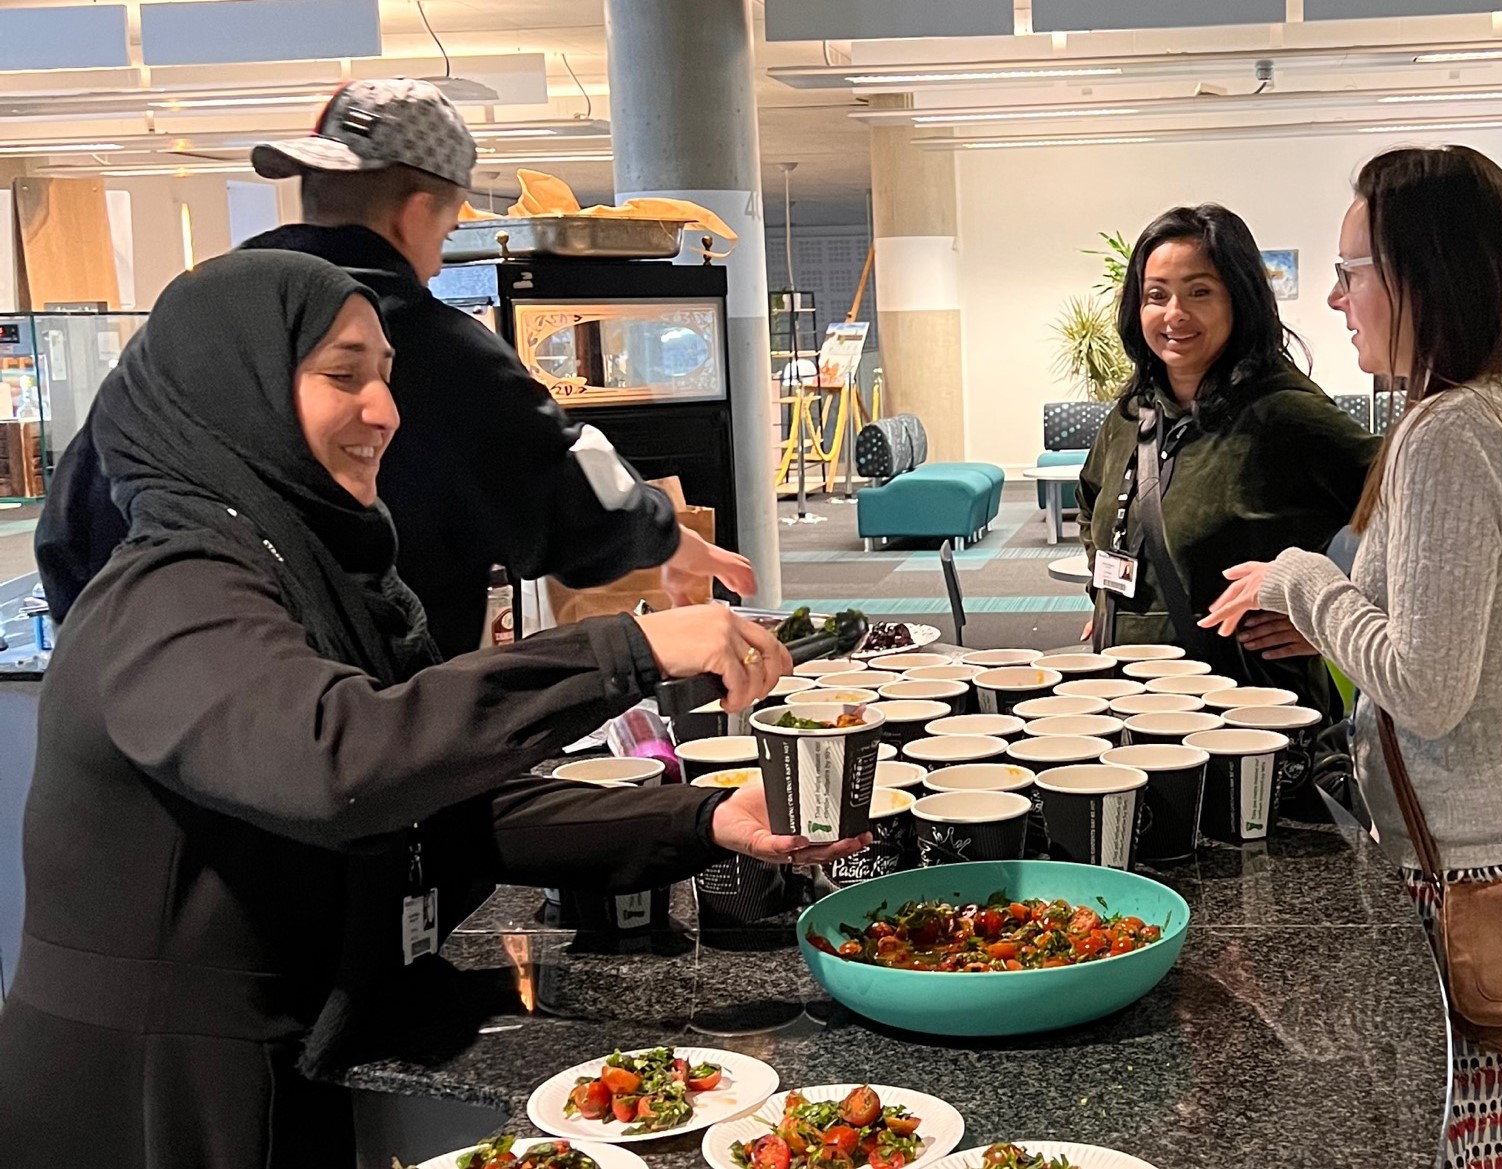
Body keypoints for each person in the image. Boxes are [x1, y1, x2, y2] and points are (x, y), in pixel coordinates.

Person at [0, 251, 864, 1165]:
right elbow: (341, 763)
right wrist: (630, 648)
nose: (384, 410)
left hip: (278, 1049)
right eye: (343, 375)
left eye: (385, 375)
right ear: (231, 391)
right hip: (150, 1094)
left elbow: (442, 807)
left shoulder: (308, 573)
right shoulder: (170, 587)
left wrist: (704, 816)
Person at [1201, 146, 1502, 1167]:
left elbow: (1426, 690)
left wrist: (1299, 579)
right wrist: (1332, 611)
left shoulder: (1448, 431)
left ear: (1424, 272)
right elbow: (1473, 633)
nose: (1333, 296)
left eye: (1351, 269)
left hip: (1488, 874)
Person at [35, 78, 755, 660]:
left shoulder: (182, 332)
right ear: (416, 215)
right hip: (366, 738)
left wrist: (122, 681)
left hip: (168, 731)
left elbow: (67, 530)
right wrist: (660, 532)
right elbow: (564, 498)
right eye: (444, 232)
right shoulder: (430, 348)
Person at [1074, 204, 1377, 718]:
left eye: (1199, 292)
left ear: (1239, 300)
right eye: (1156, 295)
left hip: (1248, 717)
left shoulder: (1284, 414)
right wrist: (1115, 603)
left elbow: (1412, 518)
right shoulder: (1134, 414)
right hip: (1129, 702)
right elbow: (1090, 507)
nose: (1174, 313)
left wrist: (1332, 615)